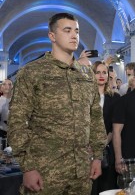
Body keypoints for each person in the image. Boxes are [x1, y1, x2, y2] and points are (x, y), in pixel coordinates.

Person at [7, 13, 106, 194]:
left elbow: (96, 117)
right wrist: (28, 167)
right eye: (67, 30)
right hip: (46, 171)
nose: (74, 35)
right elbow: (17, 120)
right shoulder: (32, 72)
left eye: (76, 31)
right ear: (52, 36)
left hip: (81, 171)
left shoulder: (86, 74)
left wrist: (97, 157)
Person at [91, 61, 121, 194]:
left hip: (108, 149)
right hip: (86, 150)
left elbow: (115, 127)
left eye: (104, 72)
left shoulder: (115, 97)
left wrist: (102, 143)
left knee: (107, 189)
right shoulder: (85, 97)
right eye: (97, 72)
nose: (101, 75)